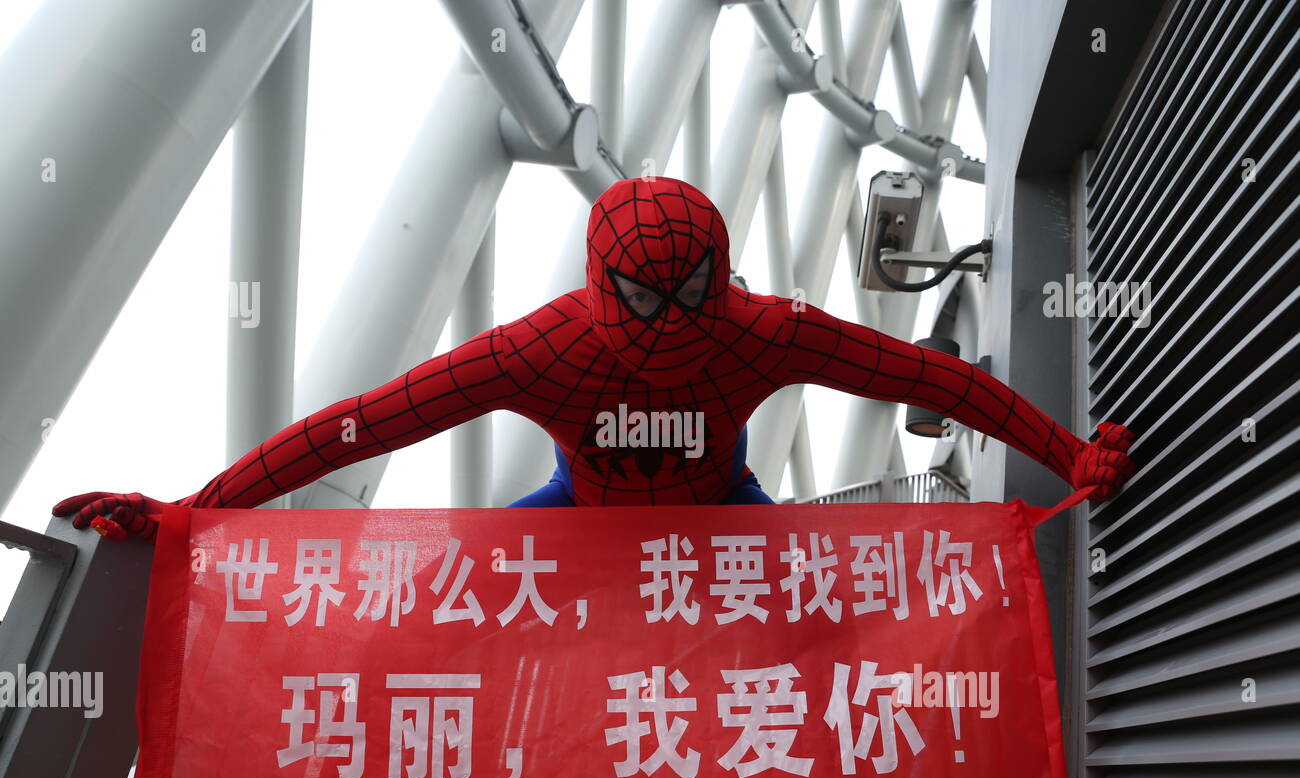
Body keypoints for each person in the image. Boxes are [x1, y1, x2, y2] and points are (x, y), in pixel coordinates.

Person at [53, 176, 1135, 540]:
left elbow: (932, 380)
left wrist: (1072, 451)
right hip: (603, 515)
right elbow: (364, 421)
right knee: (431, 632)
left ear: (721, 267)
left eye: (689, 290)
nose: (668, 317)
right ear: (601, 280)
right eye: (644, 294)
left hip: (693, 511)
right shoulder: (560, 345)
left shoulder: (752, 329)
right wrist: (192, 507)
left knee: (836, 638)